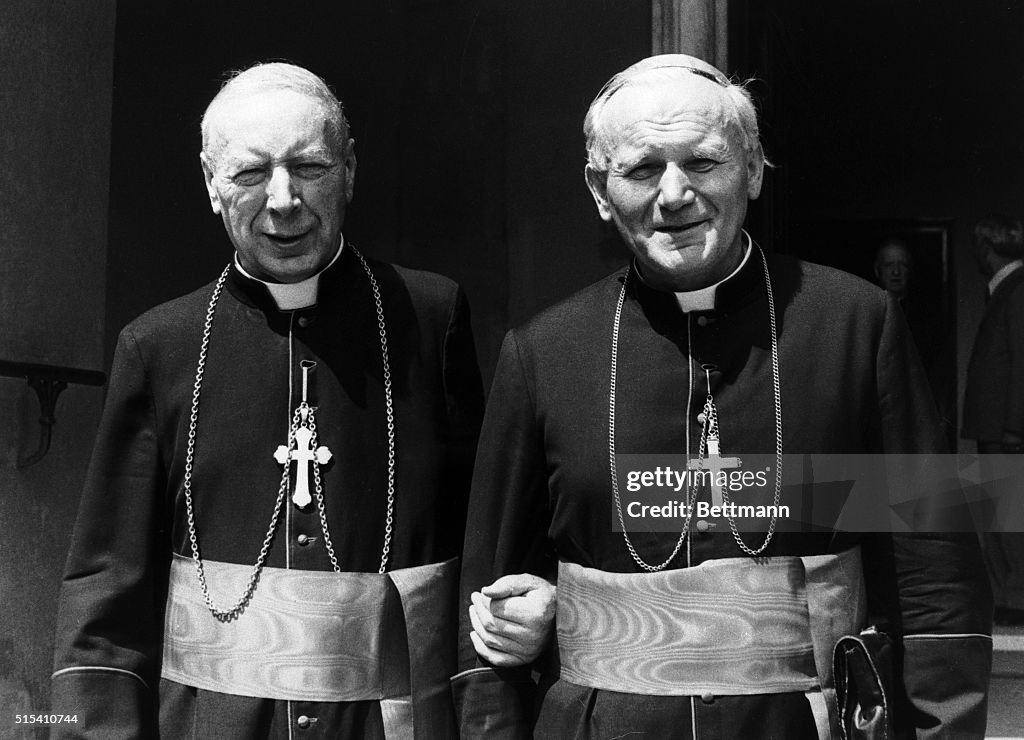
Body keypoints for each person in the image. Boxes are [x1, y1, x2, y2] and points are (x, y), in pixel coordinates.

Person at [455, 54, 992, 739]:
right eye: (642, 169)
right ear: (598, 187)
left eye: (703, 162)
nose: (674, 194)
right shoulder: (539, 353)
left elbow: (935, 579)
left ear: (754, 166)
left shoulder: (858, 324)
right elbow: (489, 607)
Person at [51, 62, 485, 738]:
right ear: (210, 183)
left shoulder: (429, 318)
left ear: (349, 169)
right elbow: (108, 595)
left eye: (308, 167)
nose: (283, 201)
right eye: (251, 174)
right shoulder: (158, 347)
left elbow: (476, 556)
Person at [963, 213, 1024, 625]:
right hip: (1000, 431)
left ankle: (1016, 602)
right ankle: (1010, 599)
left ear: (987, 249)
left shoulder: (1017, 291)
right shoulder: (1007, 289)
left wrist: (1014, 429)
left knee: (1010, 519)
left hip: (1008, 434)